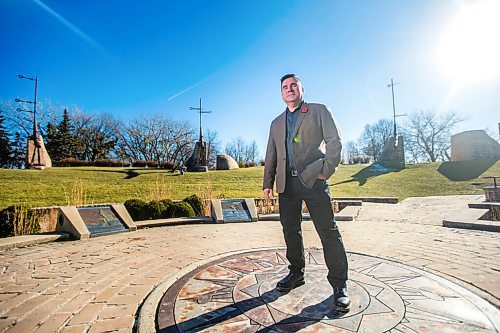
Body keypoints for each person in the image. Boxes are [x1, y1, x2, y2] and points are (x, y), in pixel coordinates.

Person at [263, 73, 350, 313]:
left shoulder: (318, 110)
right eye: (285, 87)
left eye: (293, 86)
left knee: (328, 231)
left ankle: (339, 285)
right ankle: (296, 273)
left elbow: (335, 141)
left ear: (301, 90)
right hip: (286, 186)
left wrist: (326, 170)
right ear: (281, 93)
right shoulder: (275, 123)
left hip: (313, 180)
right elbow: (271, 154)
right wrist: (267, 183)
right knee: (291, 231)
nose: (289, 89)